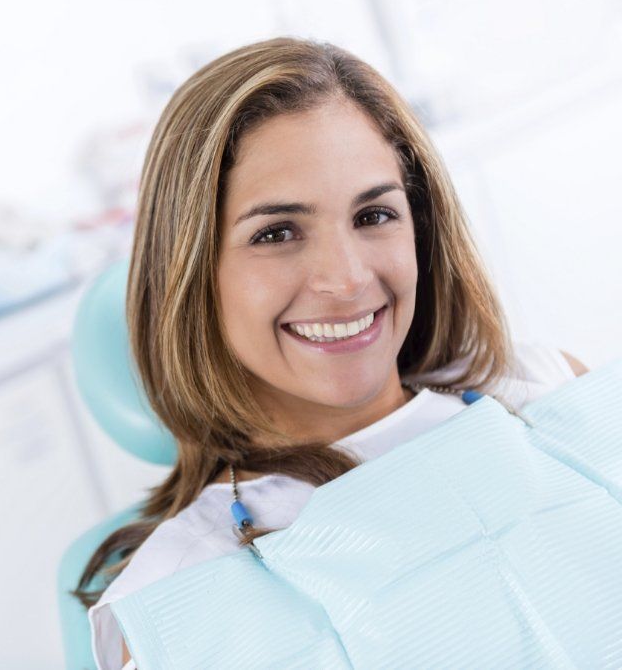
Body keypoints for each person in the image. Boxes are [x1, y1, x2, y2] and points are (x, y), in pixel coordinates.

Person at [73, 36, 589, 670]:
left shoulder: (546, 390)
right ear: (191, 276)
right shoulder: (180, 600)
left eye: (373, 215)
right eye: (276, 232)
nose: (345, 279)